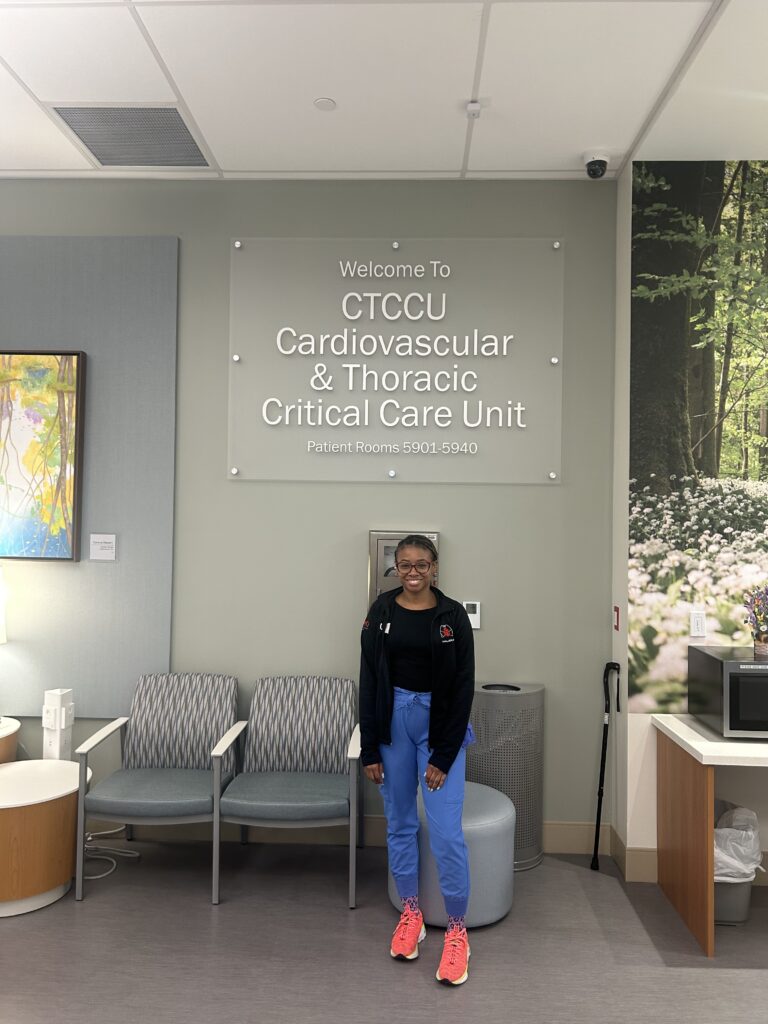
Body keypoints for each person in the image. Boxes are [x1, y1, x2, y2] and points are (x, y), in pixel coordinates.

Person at [359, 534, 475, 986]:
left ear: (434, 567)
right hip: (393, 727)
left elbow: (463, 686)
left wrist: (444, 754)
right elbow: (369, 678)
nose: (412, 572)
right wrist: (371, 746)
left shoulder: (452, 617)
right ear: (396, 567)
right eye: (404, 564)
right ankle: (412, 913)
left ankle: (458, 930)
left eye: (421, 564)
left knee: (446, 832)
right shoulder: (381, 612)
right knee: (400, 823)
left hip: (439, 728)